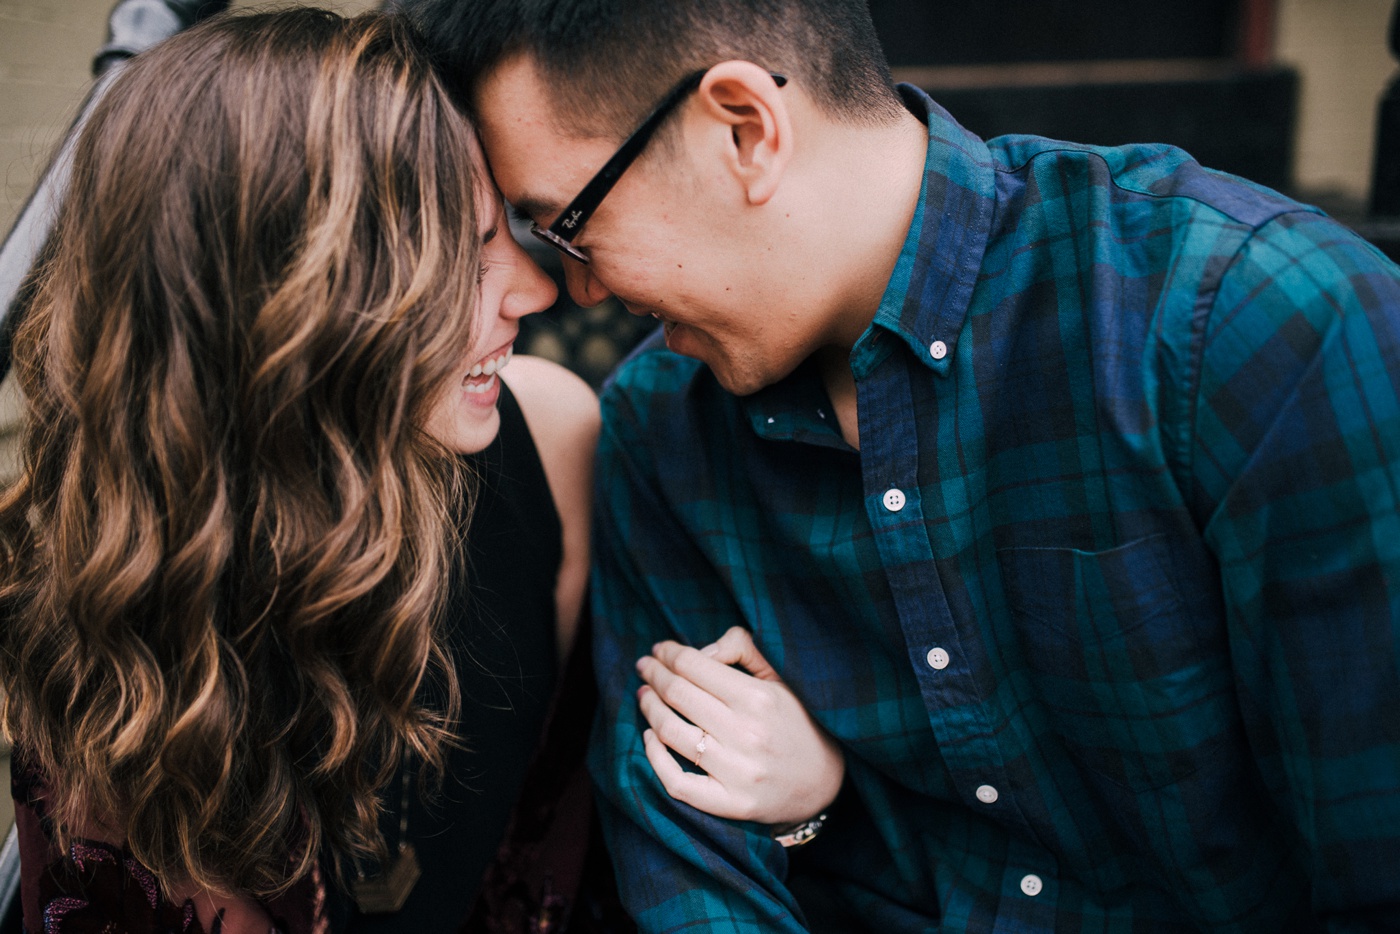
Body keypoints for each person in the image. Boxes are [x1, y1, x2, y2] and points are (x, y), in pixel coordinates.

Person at [402, 0, 1400, 930]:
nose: (574, 290)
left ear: (745, 129)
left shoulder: (1249, 325)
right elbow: (691, 867)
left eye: (568, 226)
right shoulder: (660, 422)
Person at [0, 9, 600, 933]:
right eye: (466, 256)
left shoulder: (554, 436)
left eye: (509, 233)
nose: (537, 288)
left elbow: (546, 840)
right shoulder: (114, 672)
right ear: (295, 315)